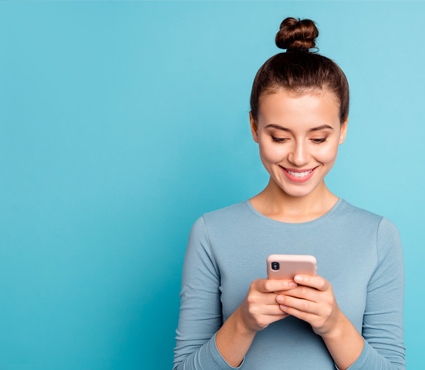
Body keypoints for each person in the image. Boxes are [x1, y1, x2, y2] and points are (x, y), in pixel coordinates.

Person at [173, 17, 407, 370]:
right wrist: (243, 323)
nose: (299, 157)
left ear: (342, 129)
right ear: (254, 127)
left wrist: (333, 325)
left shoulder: (377, 236)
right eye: (279, 137)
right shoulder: (211, 232)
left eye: (318, 138)